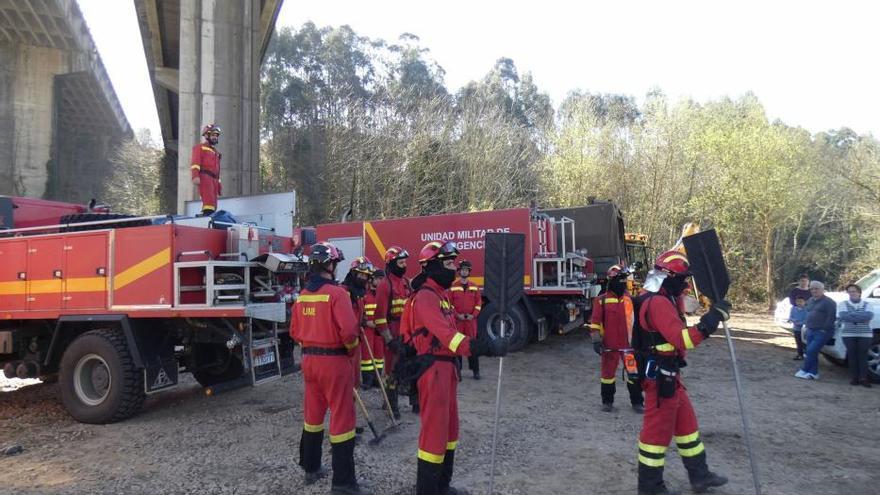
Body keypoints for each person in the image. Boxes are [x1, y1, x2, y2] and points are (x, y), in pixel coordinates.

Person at [402, 241, 508, 495]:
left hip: (447, 370)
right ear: (433, 266)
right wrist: (485, 347)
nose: (454, 268)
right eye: (448, 263)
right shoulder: (426, 298)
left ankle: (442, 486)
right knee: (434, 433)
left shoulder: (442, 295)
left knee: (450, 430)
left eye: (453, 263)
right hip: (434, 369)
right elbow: (449, 337)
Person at [634, 250, 729, 495]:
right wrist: (711, 320)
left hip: (671, 375)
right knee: (655, 436)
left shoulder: (663, 297)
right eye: (682, 278)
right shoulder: (657, 303)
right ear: (668, 277)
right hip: (660, 380)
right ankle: (650, 488)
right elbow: (682, 339)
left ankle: (700, 476)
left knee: (688, 428)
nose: (685, 283)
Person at [289, 242, 371, 495]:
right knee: (343, 419)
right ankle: (343, 483)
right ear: (329, 265)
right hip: (334, 362)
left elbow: (294, 333)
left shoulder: (302, 296)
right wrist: (349, 351)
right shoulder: (337, 294)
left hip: (309, 362)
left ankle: (311, 468)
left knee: (313, 416)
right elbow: (349, 332)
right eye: (335, 263)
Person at [588, 264, 644, 413]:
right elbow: (595, 323)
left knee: (633, 374)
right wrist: (596, 341)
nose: (622, 283)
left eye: (624, 279)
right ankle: (607, 402)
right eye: (619, 279)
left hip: (629, 347)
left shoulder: (631, 300)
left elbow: (638, 323)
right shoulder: (601, 301)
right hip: (609, 347)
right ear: (611, 280)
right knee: (607, 376)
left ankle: (637, 402)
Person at [375, 246, 413, 418]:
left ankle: (414, 401)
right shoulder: (385, 285)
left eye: (405, 262)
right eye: (401, 262)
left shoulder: (406, 283)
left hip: (407, 331)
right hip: (392, 331)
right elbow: (380, 318)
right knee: (391, 370)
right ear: (392, 263)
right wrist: (389, 340)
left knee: (409, 365)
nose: (404, 265)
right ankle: (392, 405)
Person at [341, 256, 374, 390]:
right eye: (361, 274)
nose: (363, 278)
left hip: (356, 339)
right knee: (345, 379)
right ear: (353, 273)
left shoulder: (360, 293)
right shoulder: (343, 292)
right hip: (344, 343)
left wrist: (364, 322)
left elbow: (361, 313)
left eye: (366, 276)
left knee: (354, 376)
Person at [447, 260, 483, 379]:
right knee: (457, 346)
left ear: (469, 272)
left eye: (466, 270)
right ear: (459, 271)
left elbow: (478, 302)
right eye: (462, 270)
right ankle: (458, 372)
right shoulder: (453, 286)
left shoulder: (474, 286)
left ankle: (476, 371)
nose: (464, 271)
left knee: (472, 346)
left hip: (471, 321)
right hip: (458, 321)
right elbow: (449, 304)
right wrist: (457, 315)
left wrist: (474, 314)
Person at [796, 281, 837, 380]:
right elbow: (807, 312)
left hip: (822, 331)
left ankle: (805, 369)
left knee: (811, 351)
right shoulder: (810, 300)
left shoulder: (829, 302)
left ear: (822, 290)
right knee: (811, 351)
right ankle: (813, 373)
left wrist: (824, 330)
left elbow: (831, 318)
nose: (814, 290)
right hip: (810, 330)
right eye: (812, 289)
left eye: (816, 288)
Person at [837, 283, 875, 387]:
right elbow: (843, 316)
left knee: (863, 355)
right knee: (852, 355)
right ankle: (854, 377)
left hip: (865, 334)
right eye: (849, 292)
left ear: (859, 292)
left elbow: (869, 315)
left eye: (854, 291)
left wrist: (852, 315)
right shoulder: (843, 304)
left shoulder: (868, 304)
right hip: (848, 334)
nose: (852, 293)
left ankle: (863, 378)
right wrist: (861, 318)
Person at [190, 124, 222, 215]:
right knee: (208, 201)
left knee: (214, 202)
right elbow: (195, 163)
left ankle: (210, 216)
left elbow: (218, 170)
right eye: (213, 135)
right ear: (207, 135)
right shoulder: (200, 147)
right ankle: (207, 216)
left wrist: (219, 184)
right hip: (205, 177)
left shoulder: (216, 152)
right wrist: (195, 176)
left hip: (214, 179)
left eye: (216, 135)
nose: (215, 137)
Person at [361, 269, 386, 389]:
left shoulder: (384, 295)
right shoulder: (364, 294)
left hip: (379, 330)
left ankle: (377, 379)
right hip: (367, 329)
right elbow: (358, 313)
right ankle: (367, 380)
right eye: (379, 279)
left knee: (379, 355)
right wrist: (365, 322)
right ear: (372, 279)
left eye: (383, 279)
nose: (381, 281)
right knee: (366, 356)